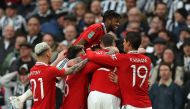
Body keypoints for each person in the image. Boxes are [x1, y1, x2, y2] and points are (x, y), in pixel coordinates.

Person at [9, 42, 88, 109]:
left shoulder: (33, 70)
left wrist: (58, 59)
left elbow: (48, 71)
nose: (51, 52)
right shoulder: (49, 71)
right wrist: (88, 58)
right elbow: (71, 70)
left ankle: (21, 98)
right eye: (50, 50)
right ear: (47, 53)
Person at [86, 32, 152, 109]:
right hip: (147, 105)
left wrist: (88, 50)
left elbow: (93, 57)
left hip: (130, 105)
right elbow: (140, 82)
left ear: (128, 43)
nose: (123, 44)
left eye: (124, 41)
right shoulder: (147, 60)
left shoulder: (122, 59)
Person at [88, 34, 121, 109]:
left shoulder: (94, 57)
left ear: (101, 44)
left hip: (95, 94)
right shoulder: (121, 57)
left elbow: (84, 71)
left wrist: (88, 50)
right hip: (112, 95)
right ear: (114, 44)